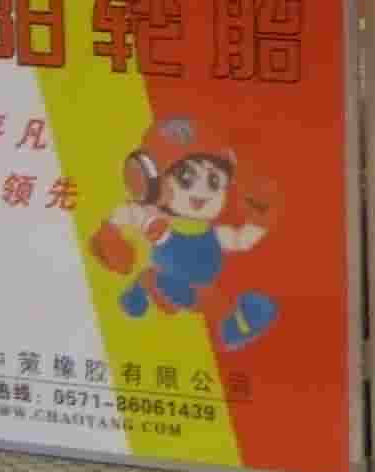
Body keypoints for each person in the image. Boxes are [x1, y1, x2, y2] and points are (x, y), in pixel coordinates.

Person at [95, 122, 277, 351]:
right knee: (154, 281)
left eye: (214, 181)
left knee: (221, 305)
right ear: (151, 183)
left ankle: (234, 327)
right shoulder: (157, 224)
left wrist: (260, 221)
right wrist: (110, 235)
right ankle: (136, 295)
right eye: (186, 177)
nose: (203, 191)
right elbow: (128, 213)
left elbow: (241, 240)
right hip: (170, 284)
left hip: (201, 290)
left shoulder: (214, 232)